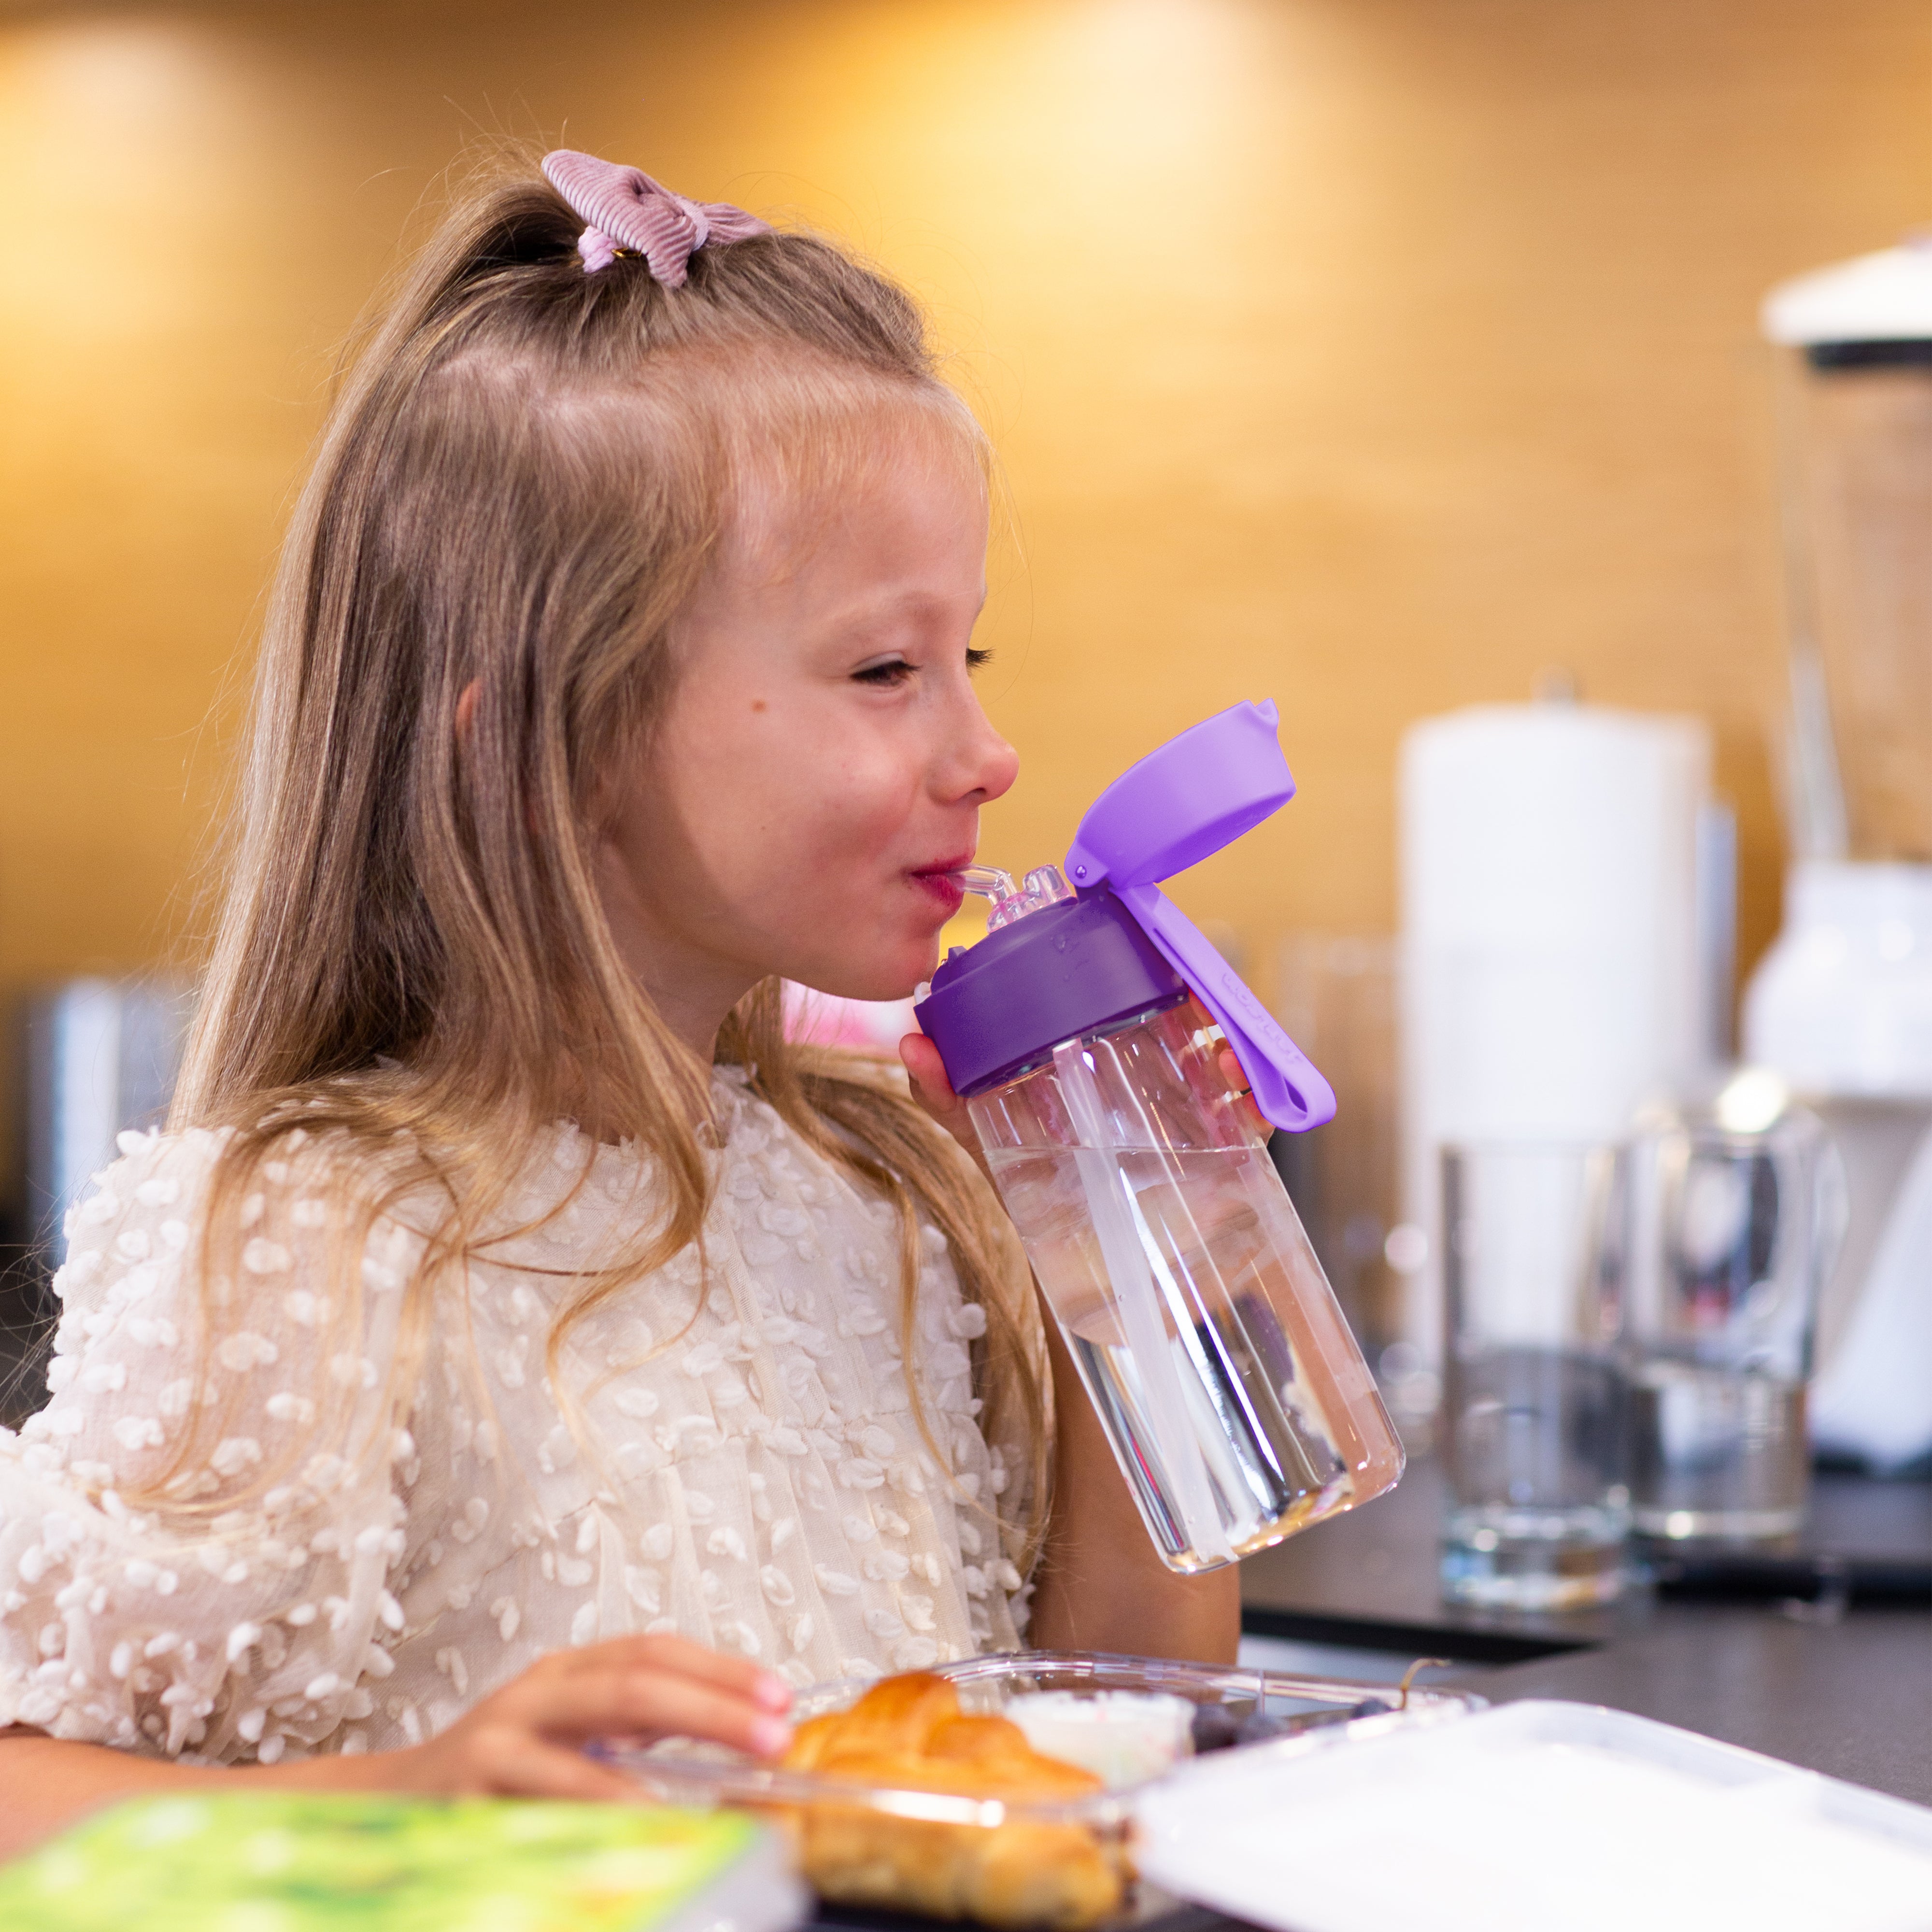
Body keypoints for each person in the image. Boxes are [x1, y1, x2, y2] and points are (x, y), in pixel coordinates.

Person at [0, 148, 1236, 1856]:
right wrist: (403, 1806)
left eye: (970, 661)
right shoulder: (307, 1243)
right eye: (886, 669)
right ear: (556, 747)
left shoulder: (890, 1202)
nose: (987, 752)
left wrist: (1116, 1273)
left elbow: (1125, 1726)